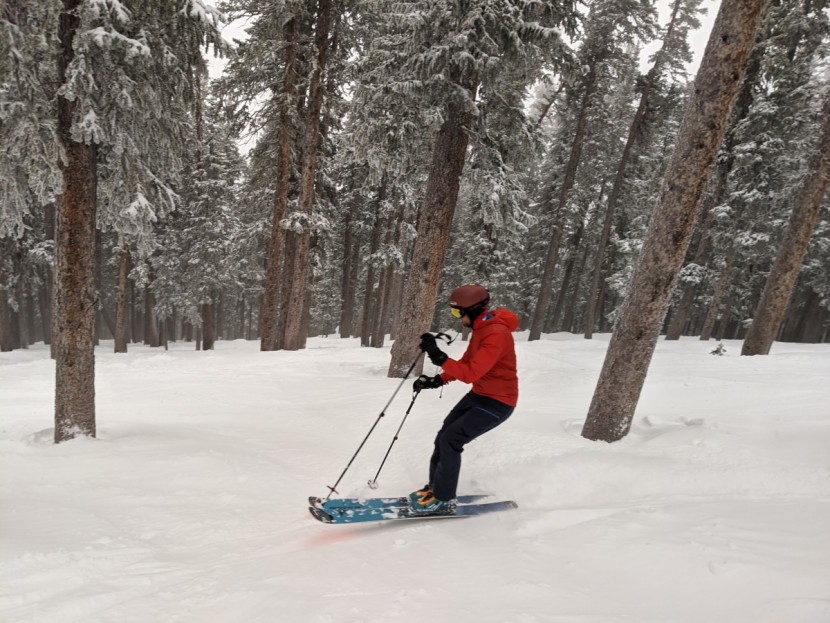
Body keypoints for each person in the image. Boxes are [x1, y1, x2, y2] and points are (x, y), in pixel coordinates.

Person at [408, 283, 519, 514]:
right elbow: (467, 363)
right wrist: (439, 380)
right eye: (454, 312)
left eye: (458, 312)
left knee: (451, 440)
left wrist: (439, 357)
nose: (457, 318)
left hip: (499, 402)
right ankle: (436, 488)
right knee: (443, 435)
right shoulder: (482, 328)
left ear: (474, 310)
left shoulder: (496, 334)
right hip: (480, 395)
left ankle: (443, 499)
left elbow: (471, 373)